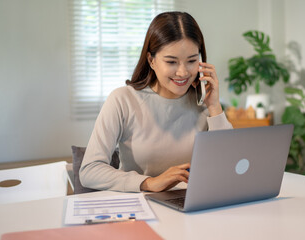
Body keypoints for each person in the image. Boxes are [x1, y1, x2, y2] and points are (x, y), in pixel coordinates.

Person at [80, 11, 232, 193]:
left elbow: (229, 166)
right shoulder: (123, 100)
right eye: (171, 62)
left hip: (191, 205)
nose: (183, 72)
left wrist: (215, 107)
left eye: (192, 60)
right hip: (138, 208)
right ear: (151, 60)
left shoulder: (205, 103)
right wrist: (149, 183)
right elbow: (90, 170)